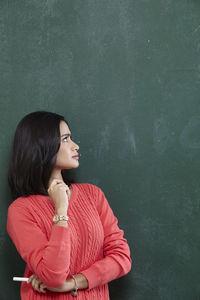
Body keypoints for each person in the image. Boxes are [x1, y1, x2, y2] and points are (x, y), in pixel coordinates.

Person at [7, 111, 132, 299]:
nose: (75, 146)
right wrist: (61, 209)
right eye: (66, 139)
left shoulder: (93, 195)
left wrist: (73, 283)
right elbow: (53, 277)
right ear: (42, 146)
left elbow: (121, 258)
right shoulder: (21, 210)